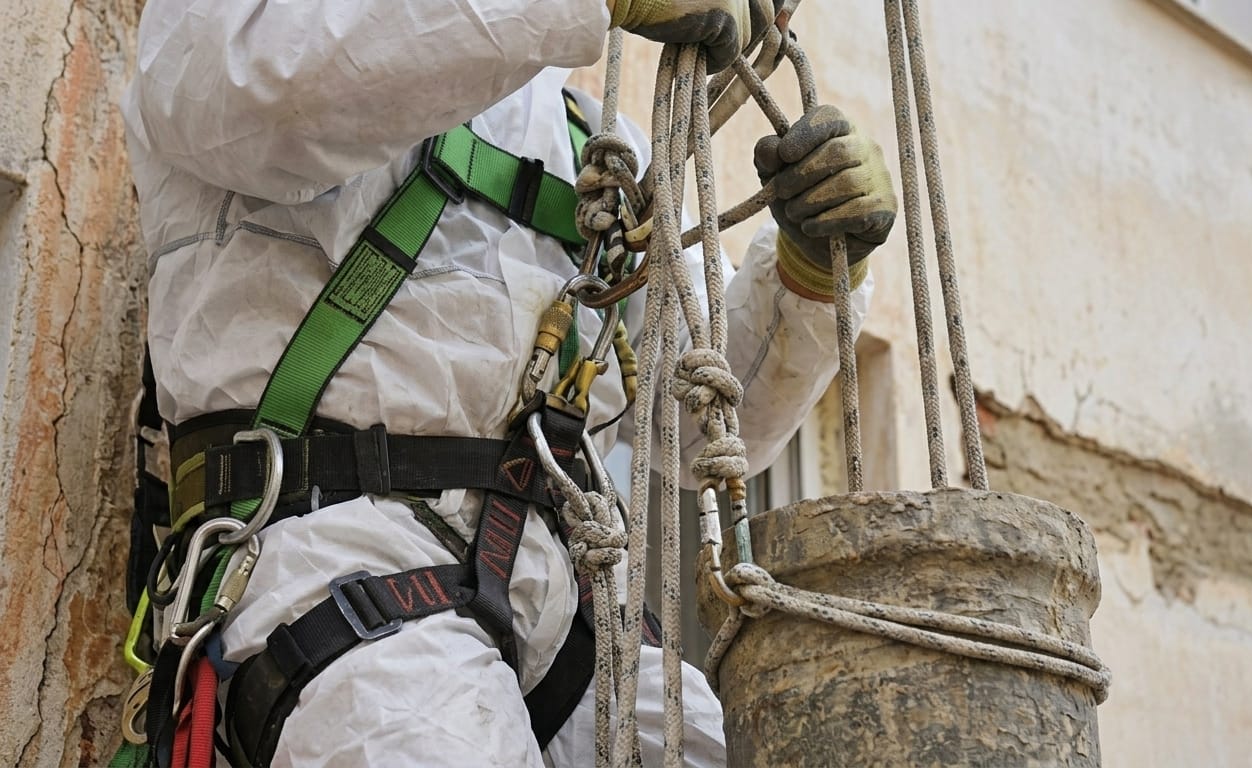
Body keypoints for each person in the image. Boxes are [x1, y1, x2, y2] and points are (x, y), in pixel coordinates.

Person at [121, 0, 897, 765]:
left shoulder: (594, 150)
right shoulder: (250, 24)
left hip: (564, 597)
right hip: (332, 559)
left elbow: (705, 427)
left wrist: (809, 269)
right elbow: (265, 100)